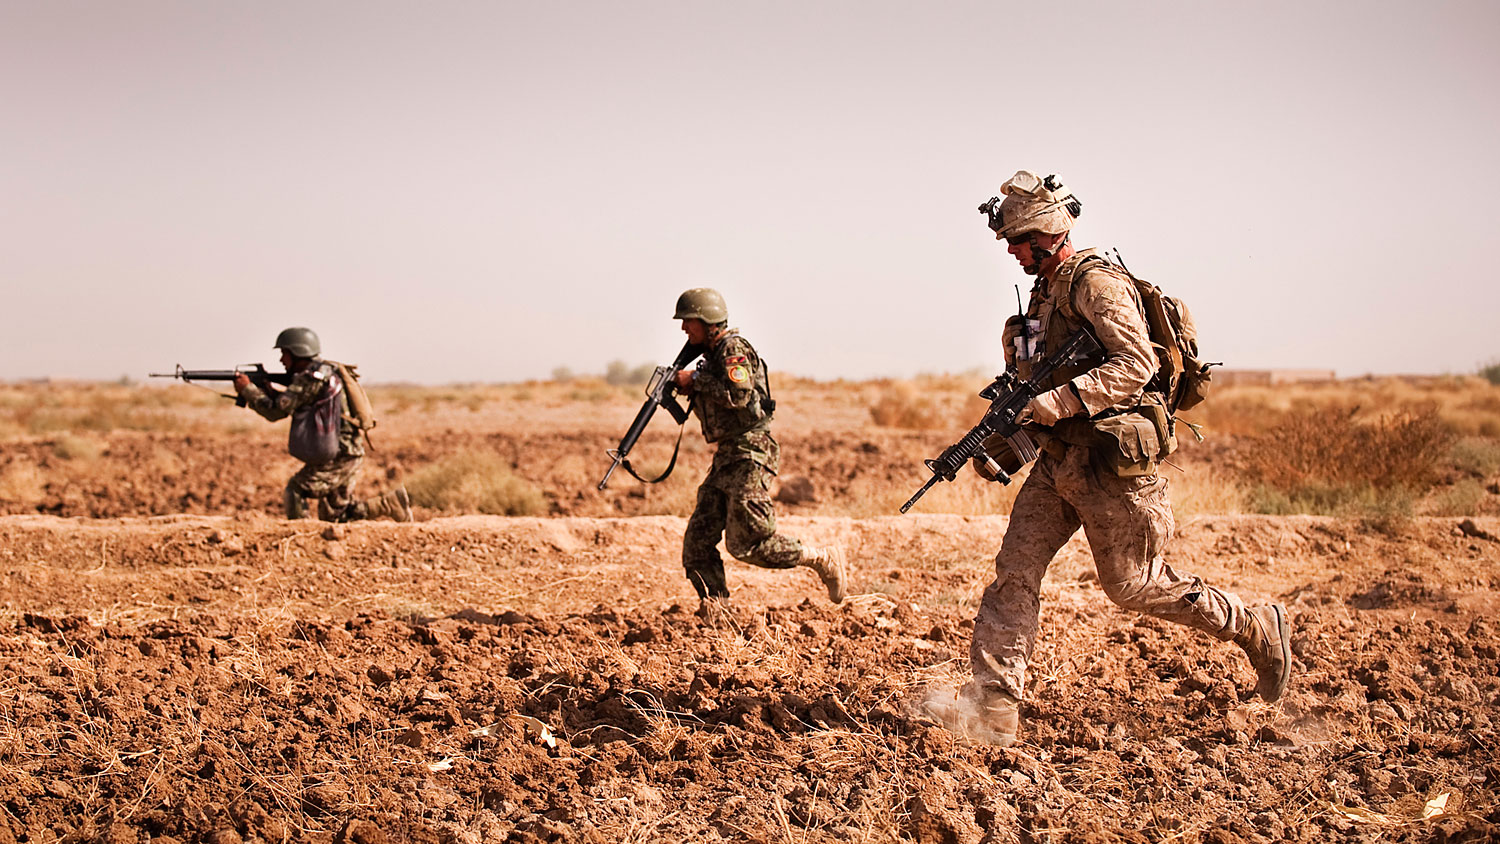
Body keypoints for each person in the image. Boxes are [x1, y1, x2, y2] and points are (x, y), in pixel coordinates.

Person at [924, 172, 1292, 746]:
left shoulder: (1096, 283)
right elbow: (1035, 384)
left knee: (1132, 586)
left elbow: (1135, 363)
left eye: (1017, 241)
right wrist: (1006, 439)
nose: (1012, 251)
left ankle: (1253, 625)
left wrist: (1058, 400)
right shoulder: (1044, 293)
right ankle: (994, 707)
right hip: (1058, 463)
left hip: (1109, 467)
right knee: (1015, 571)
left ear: (1045, 235)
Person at [670, 288, 848, 619]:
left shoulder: (733, 349)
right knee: (697, 542)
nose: (684, 330)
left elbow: (739, 396)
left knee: (748, 543)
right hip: (728, 455)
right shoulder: (711, 358)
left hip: (751, 452)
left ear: (708, 322)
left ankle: (821, 558)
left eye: (689, 322)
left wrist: (694, 379)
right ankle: (716, 611)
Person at [233, 327, 412, 523]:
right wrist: (268, 390)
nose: (281, 360)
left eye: (284, 353)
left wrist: (248, 390)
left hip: (340, 454)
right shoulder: (323, 373)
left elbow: (276, 411)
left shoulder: (311, 378)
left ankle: (299, 536)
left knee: (296, 489)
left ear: (298, 352)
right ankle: (389, 504)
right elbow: (293, 402)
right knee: (334, 514)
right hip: (346, 451)